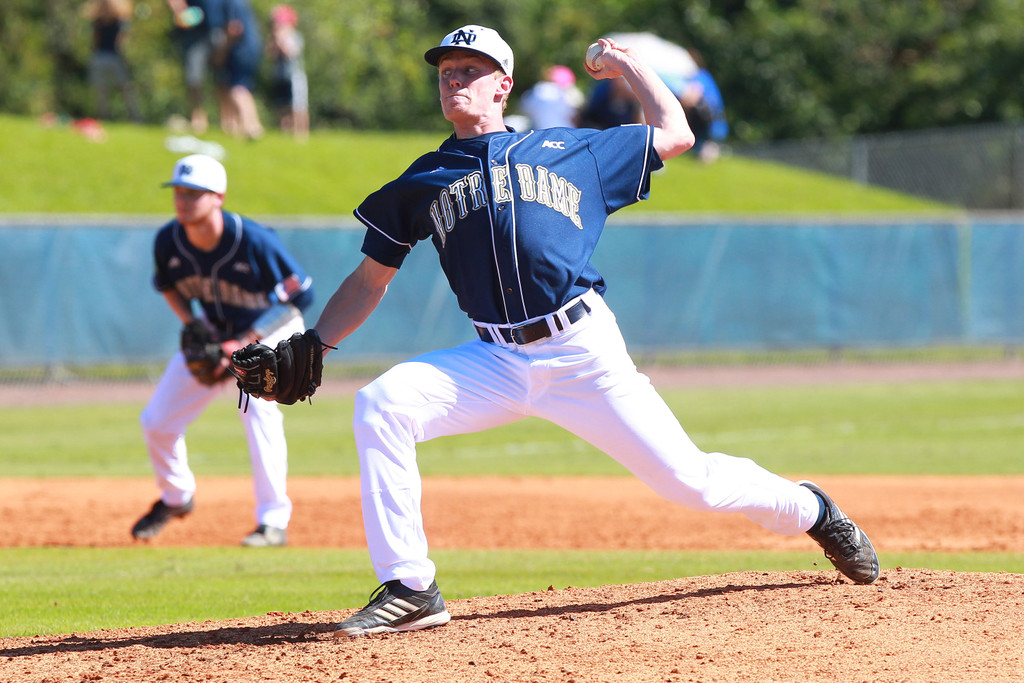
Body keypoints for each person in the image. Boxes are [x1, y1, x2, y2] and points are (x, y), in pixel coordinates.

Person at [291, 25, 877, 637]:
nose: (455, 79)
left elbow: (675, 132)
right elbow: (368, 281)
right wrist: (315, 342)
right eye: (447, 72)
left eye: (471, 69)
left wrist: (626, 64)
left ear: (504, 85)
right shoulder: (422, 180)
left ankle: (812, 510)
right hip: (495, 359)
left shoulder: (574, 150)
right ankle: (411, 588)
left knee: (690, 482)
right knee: (382, 403)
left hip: (582, 353)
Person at [132, 153, 314, 547]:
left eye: (194, 193)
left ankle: (273, 521)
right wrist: (193, 325)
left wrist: (246, 337)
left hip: (270, 331)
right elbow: (168, 287)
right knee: (157, 422)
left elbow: (300, 296)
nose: (184, 200)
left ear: (218, 196)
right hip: (218, 334)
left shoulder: (253, 241)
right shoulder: (169, 239)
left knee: (258, 410)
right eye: (179, 192)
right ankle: (176, 498)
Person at [83, 0, 143, 122]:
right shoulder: (97, 21)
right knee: (101, 90)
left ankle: (135, 117)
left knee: (125, 88)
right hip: (100, 56)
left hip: (114, 56)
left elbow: (122, 38)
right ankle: (103, 117)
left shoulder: (120, 21)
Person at [166, 0, 221, 133]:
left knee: (224, 79)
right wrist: (180, 12)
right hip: (195, 35)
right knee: (194, 79)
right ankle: (198, 117)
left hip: (217, 30)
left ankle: (227, 120)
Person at [212, 0, 264, 139]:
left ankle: (250, 127)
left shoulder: (231, 3)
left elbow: (234, 28)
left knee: (237, 89)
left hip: (240, 50)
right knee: (243, 87)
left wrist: (222, 52)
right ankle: (254, 124)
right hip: (252, 49)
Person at [267, 4, 309, 141]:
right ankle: (284, 132)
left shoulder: (295, 37)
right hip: (280, 76)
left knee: (298, 106)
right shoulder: (274, 39)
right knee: (282, 105)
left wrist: (281, 40)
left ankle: (301, 133)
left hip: (295, 76)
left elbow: (290, 53)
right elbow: (270, 55)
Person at [517, 64, 584, 130]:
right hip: (566, 134)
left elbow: (524, 109)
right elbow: (575, 117)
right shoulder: (566, 94)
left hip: (542, 134)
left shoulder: (536, 90)